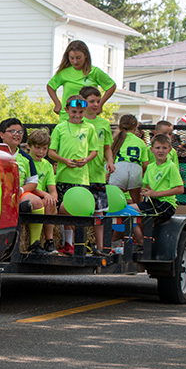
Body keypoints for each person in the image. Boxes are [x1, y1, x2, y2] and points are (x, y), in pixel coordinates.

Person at [48, 96, 99, 255]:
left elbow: (94, 150)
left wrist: (86, 160)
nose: (77, 115)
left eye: (80, 112)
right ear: (67, 110)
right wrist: (64, 160)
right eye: (74, 111)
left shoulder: (89, 128)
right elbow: (51, 152)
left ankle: (80, 243)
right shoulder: (60, 128)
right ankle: (68, 243)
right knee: (64, 210)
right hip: (63, 176)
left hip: (81, 178)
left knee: (77, 211)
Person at [0, 118, 47, 255]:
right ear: (2, 134)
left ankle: (34, 244)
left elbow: (33, 182)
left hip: (17, 194)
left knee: (37, 202)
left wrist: (20, 190)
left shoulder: (26, 158)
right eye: (12, 131)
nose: (17, 135)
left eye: (20, 132)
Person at [130, 134, 184, 244]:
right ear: (152, 150)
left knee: (131, 211)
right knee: (127, 211)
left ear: (169, 150)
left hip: (166, 204)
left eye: (164, 148)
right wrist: (145, 192)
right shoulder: (150, 167)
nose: (161, 151)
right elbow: (146, 187)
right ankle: (140, 240)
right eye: (158, 148)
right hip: (152, 203)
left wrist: (156, 193)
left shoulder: (171, 166)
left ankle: (141, 241)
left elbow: (180, 189)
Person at [80, 86, 114, 255]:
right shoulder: (78, 123)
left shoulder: (104, 123)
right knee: (79, 210)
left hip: (98, 174)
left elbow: (107, 147)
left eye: (98, 101)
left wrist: (110, 161)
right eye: (91, 101)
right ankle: (79, 244)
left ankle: (100, 247)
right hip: (80, 174)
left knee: (98, 211)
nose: (95, 104)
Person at [47, 40, 117, 122]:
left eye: (78, 58)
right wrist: (57, 104)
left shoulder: (94, 72)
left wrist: (100, 104)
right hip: (67, 117)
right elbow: (50, 86)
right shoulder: (63, 73)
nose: (75, 61)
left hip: (87, 117)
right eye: (72, 58)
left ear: (85, 55)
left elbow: (111, 86)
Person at [26, 128, 59, 254]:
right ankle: (35, 242)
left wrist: (53, 198)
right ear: (29, 146)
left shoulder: (47, 165)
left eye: (44, 149)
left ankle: (49, 240)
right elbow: (28, 185)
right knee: (43, 201)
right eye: (37, 148)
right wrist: (45, 195)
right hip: (29, 194)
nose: (41, 152)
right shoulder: (26, 161)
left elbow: (52, 188)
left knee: (49, 203)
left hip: (42, 196)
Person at [110, 114, 148, 204]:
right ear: (136, 127)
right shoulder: (140, 142)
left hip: (119, 168)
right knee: (137, 202)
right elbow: (145, 164)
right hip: (136, 168)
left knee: (115, 200)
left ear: (119, 127)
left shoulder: (115, 140)